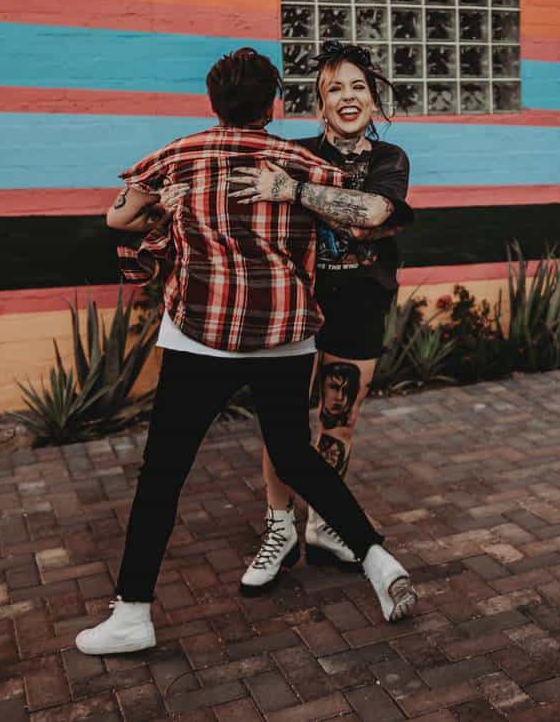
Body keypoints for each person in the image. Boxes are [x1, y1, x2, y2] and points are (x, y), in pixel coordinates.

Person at [74, 47, 416, 657]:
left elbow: (116, 216)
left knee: (163, 475)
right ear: (277, 105)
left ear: (213, 103)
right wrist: (292, 190)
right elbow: (363, 213)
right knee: (296, 454)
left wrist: (163, 205)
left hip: (200, 335)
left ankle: (132, 614)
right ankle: (376, 556)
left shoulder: (178, 155)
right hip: (284, 334)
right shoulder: (299, 161)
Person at [235, 42, 415, 592]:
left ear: (372, 97)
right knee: (284, 426)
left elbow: (373, 215)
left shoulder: (389, 161)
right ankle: (279, 527)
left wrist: (293, 191)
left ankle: (324, 523)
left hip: (359, 304)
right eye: (335, 87)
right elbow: (236, 184)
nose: (348, 96)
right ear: (320, 105)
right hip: (296, 307)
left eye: (358, 86)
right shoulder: (292, 152)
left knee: (339, 421)